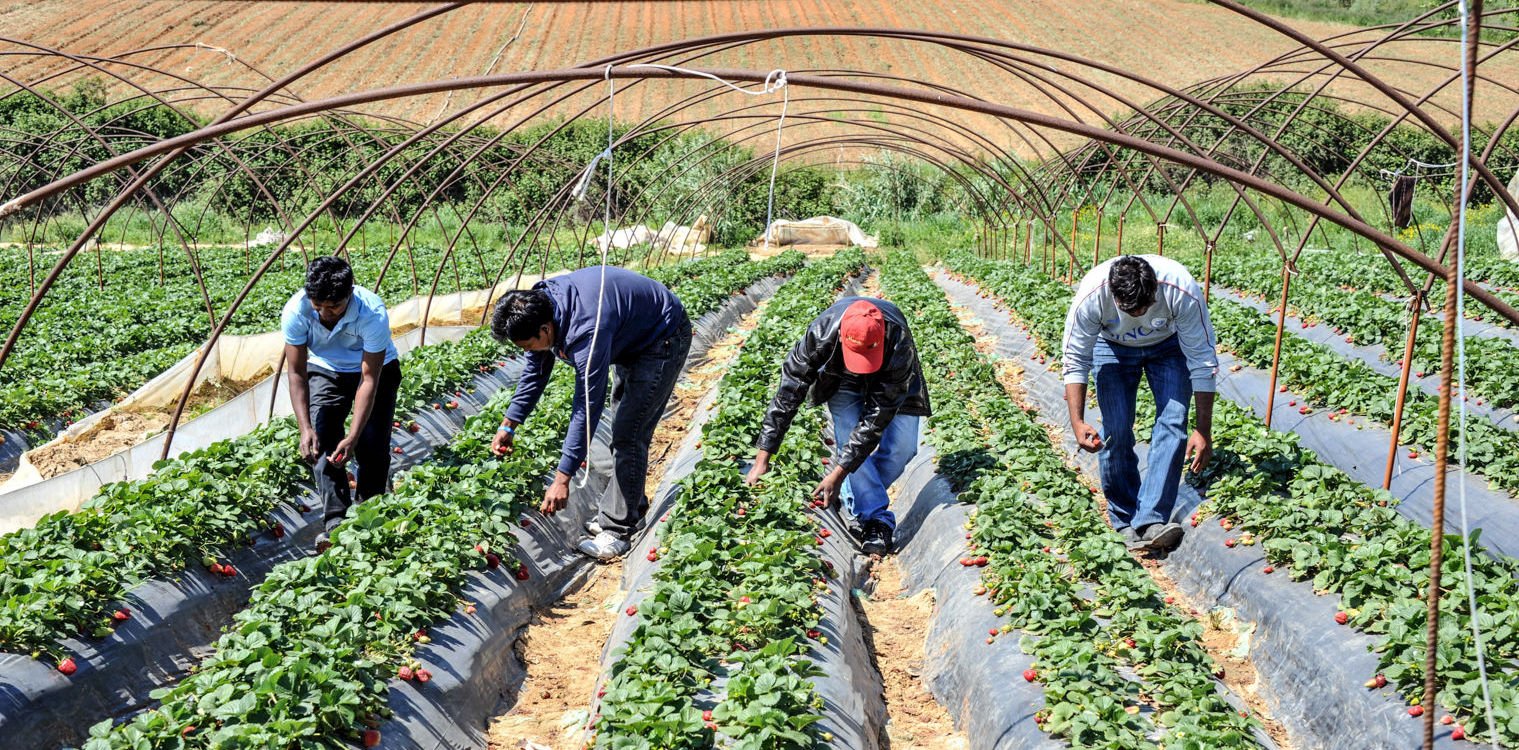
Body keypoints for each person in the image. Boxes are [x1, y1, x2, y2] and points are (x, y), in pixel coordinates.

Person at [489, 266, 691, 560]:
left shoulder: (587, 330)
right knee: (624, 420)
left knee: (629, 433)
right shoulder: (544, 305)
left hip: (662, 337)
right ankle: (628, 507)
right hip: (632, 334)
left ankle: (618, 530)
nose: (528, 352)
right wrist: (509, 425)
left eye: (529, 345)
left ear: (545, 330)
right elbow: (535, 372)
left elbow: (585, 407)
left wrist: (562, 478)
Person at [747, 297, 930, 556]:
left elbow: (876, 418)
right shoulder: (820, 336)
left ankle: (851, 492)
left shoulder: (898, 342)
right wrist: (762, 458)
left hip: (890, 378)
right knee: (849, 436)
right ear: (842, 338)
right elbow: (787, 396)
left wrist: (840, 474)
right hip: (840, 379)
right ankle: (875, 520)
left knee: (903, 448)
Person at [1062, 254, 1219, 553]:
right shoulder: (1092, 296)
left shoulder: (1180, 289)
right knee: (1116, 431)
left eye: (1143, 307)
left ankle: (1151, 520)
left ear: (1155, 290)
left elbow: (1202, 360)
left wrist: (1203, 429)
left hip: (1169, 347)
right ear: (1113, 295)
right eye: (1128, 309)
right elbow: (1075, 359)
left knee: (1173, 421)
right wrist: (1077, 421)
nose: (1137, 314)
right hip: (1112, 348)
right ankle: (1123, 519)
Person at [281, 255, 402, 552]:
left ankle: (368, 516)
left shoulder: (371, 312)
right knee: (321, 441)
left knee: (372, 445)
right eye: (318, 305)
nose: (325, 313)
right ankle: (336, 523)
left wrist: (353, 436)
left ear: (350, 294)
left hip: (377, 369)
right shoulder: (296, 311)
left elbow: (369, 379)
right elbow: (296, 371)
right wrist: (304, 427)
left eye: (333, 306)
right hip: (326, 368)